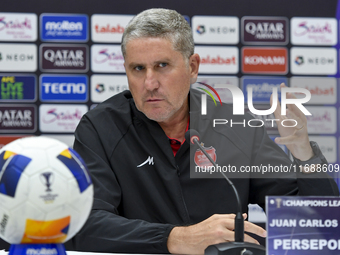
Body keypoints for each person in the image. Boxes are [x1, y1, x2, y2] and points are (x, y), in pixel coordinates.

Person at [72, 8, 339, 254]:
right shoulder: (101, 127)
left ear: (192, 67)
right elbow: (85, 225)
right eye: (138, 69)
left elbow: (319, 226)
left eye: (162, 66)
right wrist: (176, 238)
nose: (149, 83)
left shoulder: (235, 126)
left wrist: (305, 157)